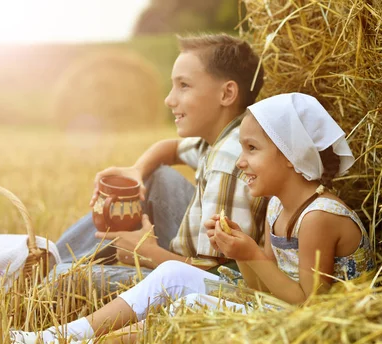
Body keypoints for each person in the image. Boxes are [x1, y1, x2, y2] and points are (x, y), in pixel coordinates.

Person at [7, 92, 375, 344]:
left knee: (194, 304)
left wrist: (247, 253)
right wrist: (241, 251)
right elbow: (261, 284)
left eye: (251, 148)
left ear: (293, 154)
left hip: (317, 331)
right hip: (281, 309)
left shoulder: (319, 217)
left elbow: (310, 307)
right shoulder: (278, 204)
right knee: (171, 273)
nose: (241, 161)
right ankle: (56, 339)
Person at [51, 33, 266, 292]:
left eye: (183, 85)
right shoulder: (225, 136)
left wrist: (148, 255)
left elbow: (222, 278)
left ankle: (47, 265)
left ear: (227, 93)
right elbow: (171, 149)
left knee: (61, 277)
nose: (169, 99)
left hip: (203, 281)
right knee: (158, 176)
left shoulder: (227, 160)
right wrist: (136, 172)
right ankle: (50, 258)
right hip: (190, 258)